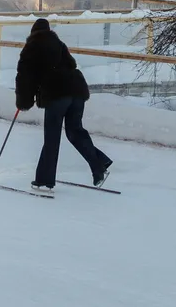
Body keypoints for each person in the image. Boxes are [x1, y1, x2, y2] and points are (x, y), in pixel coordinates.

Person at [15, 18, 112, 193]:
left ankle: (44, 180)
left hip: (57, 94)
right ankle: (98, 164)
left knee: (52, 137)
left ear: (32, 32)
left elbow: (24, 77)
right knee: (75, 132)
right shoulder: (60, 44)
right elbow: (71, 64)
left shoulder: (31, 47)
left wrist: (23, 101)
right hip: (76, 90)